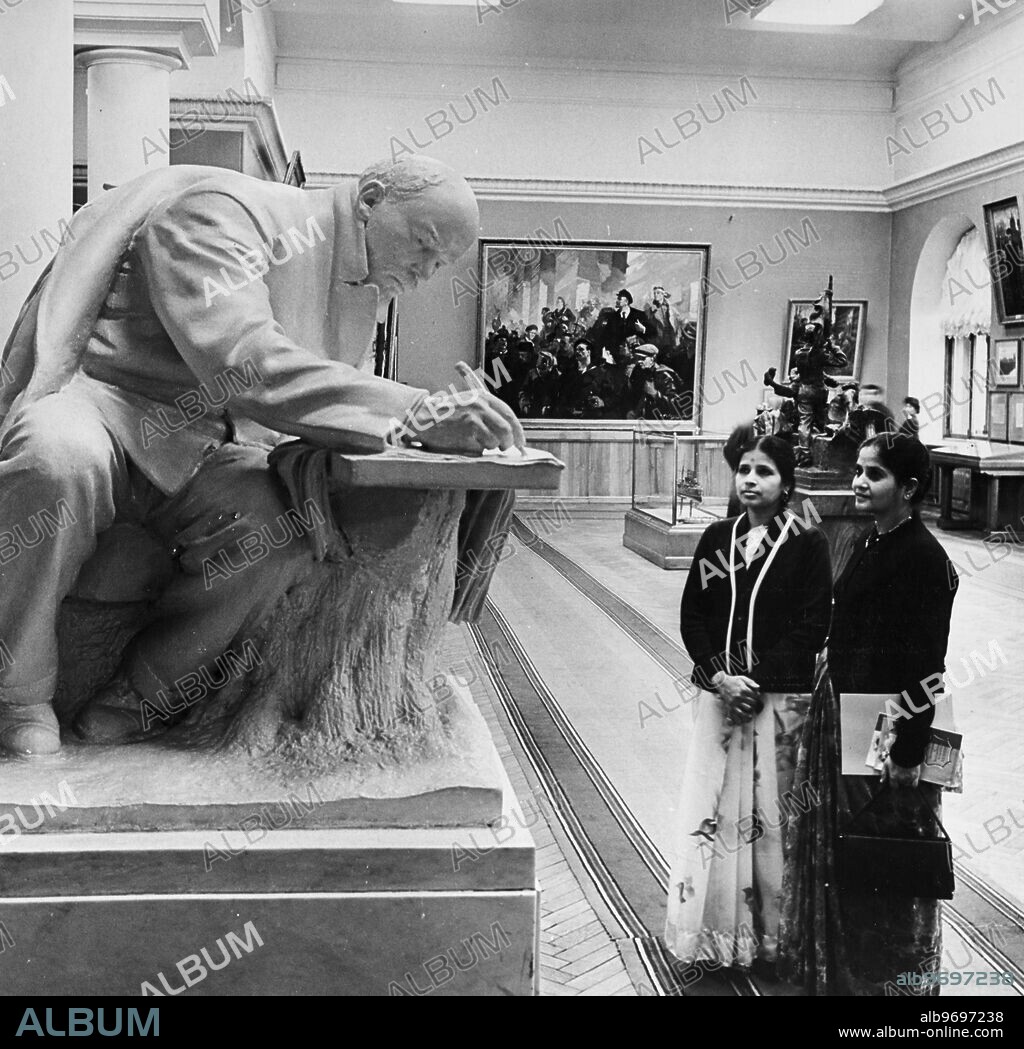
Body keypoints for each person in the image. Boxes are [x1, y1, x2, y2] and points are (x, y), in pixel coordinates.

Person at [0, 155, 525, 757]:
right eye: (426, 243)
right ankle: (19, 693)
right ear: (371, 198)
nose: (428, 270)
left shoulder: (357, 291)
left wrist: (414, 433)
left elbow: (312, 393)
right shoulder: (218, 213)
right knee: (56, 460)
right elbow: (244, 362)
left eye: (442, 263)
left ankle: (141, 695)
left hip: (205, 443)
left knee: (282, 521)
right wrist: (415, 413)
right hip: (105, 405)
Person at [779, 434, 959, 996]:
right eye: (858, 470)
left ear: (907, 489)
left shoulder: (924, 558)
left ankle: (888, 987)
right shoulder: (866, 541)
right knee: (849, 848)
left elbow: (929, 667)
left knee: (884, 855)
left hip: (887, 725)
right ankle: (844, 971)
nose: (858, 482)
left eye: (873, 474)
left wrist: (907, 754)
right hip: (849, 715)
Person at [665, 435, 832, 974]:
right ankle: (717, 935)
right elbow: (693, 614)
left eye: (764, 471)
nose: (750, 480)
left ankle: (774, 939)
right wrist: (720, 677)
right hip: (721, 697)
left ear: (786, 483)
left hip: (779, 702)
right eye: (743, 470)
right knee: (714, 806)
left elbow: (813, 622)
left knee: (772, 817)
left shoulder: (806, 542)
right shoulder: (717, 538)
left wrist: (752, 681)